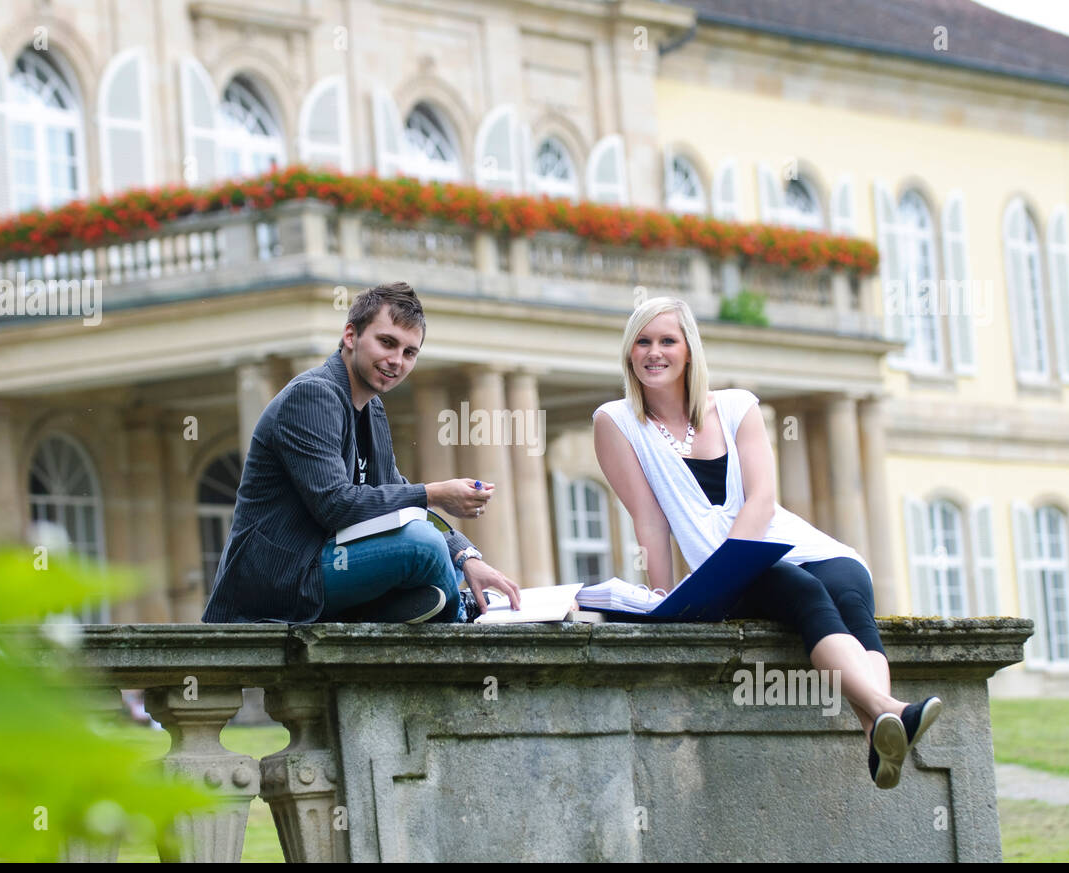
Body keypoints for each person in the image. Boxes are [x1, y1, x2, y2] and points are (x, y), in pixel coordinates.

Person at [592, 296, 941, 790]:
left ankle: (878, 732)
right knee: (803, 591)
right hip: (724, 575)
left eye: (667, 340)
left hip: (785, 542)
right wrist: (664, 602)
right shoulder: (616, 421)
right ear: (629, 354)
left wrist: (742, 556)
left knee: (849, 583)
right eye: (642, 342)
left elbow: (762, 499)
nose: (654, 352)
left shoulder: (737, 406)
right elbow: (649, 521)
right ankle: (887, 711)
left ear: (689, 349)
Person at [203, 281, 521, 625]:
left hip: (324, 567)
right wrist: (435, 494)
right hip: (277, 580)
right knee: (422, 546)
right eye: (387, 343)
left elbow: (397, 492)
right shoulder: (312, 395)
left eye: (409, 352)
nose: (396, 360)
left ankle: (411, 606)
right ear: (351, 336)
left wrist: (466, 557)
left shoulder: (372, 409)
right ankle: (458, 611)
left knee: (426, 547)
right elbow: (335, 505)